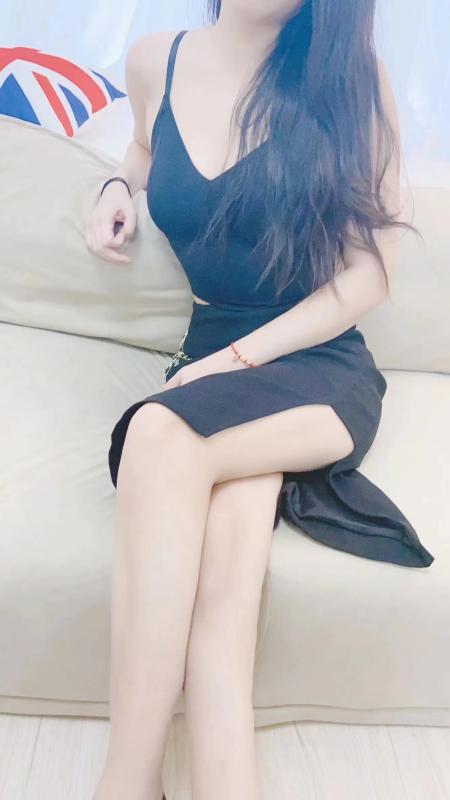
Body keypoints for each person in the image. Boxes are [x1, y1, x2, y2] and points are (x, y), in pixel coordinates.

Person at [86, 3, 434, 799]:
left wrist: (239, 360)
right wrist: (115, 185)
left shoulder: (350, 81)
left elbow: (370, 277)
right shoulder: (156, 60)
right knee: (228, 566)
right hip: (212, 361)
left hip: (316, 364)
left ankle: (124, 785)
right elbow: (143, 145)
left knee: (158, 437)